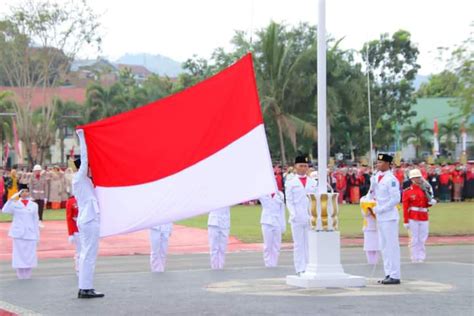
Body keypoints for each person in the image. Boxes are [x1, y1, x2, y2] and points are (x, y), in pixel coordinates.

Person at [73, 129, 104, 299]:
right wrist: (82, 137)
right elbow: (85, 160)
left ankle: (86, 287)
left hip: (89, 219)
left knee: (89, 254)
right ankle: (85, 288)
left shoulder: (86, 182)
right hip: (89, 219)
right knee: (88, 254)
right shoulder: (79, 179)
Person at [367, 153, 401, 285]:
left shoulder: (391, 179)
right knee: (384, 246)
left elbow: (395, 199)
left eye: (381, 163)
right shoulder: (376, 177)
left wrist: (381, 209)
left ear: (388, 164)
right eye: (377, 162)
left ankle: (395, 274)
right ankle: (388, 273)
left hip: (389, 216)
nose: (378, 164)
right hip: (380, 217)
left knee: (391, 246)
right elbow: (371, 194)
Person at [285, 155, 317, 275]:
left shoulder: (313, 182)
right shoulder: (290, 182)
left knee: (309, 244)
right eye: (301, 166)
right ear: (295, 167)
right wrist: (293, 214)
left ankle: (309, 267)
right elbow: (289, 200)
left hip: (310, 217)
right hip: (297, 217)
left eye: (305, 166)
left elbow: (316, 200)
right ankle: (300, 268)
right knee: (298, 244)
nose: (303, 168)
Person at [2, 189, 40, 279]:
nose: (24, 193)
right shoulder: (14, 204)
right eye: (22, 191)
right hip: (18, 233)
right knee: (19, 253)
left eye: (26, 191)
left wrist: (37, 234)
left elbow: (36, 219)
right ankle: (20, 274)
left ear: (29, 193)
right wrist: (11, 199)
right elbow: (4, 210)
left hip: (30, 232)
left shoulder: (34, 205)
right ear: (19, 193)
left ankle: (28, 274)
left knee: (29, 254)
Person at [402, 169, 436, 263]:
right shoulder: (407, 192)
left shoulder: (425, 189)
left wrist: (431, 203)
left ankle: (421, 257)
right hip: (413, 216)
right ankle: (414, 257)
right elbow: (405, 207)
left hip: (424, 215)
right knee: (414, 238)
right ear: (412, 179)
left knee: (422, 238)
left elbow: (426, 203)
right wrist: (405, 220)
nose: (419, 179)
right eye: (416, 177)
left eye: (419, 177)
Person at [259, 190, 286, 267]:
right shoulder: (263, 193)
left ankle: (274, 264)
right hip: (266, 221)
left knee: (276, 245)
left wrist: (283, 226)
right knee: (267, 245)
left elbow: (282, 211)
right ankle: (268, 264)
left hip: (277, 221)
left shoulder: (280, 194)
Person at [360, 196, 379, 264]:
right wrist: (370, 208)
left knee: (377, 246)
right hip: (368, 226)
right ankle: (370, 261)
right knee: (368, 246)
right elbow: (365, 213)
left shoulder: (379, 197)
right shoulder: (364, 199)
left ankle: (375, 261)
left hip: (377, 226)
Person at [66, 194, 81, 274]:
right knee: (79, 250)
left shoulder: (88, 198)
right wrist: (70, 233)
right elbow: (69, 218)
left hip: (88, 229)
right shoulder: (71, 201)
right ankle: (79, 268)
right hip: (77, 229)